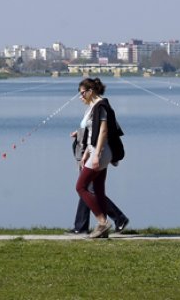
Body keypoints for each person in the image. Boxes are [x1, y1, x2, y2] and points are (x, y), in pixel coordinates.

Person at [70, 77, 126, 238]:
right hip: (95, 151)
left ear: (90, 91)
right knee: (99, 190)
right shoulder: (94, 107)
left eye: (82, 93)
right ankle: (104, 230)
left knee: (81, 187)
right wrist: (87, 153)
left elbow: (103, 132)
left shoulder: (101, 106)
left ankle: (102, 222)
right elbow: (91, 135)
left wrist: (96, 155)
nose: (80, 97)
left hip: (100, 153)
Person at [67, 124, 129, 235]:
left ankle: (117, 219)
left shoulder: (99, 108)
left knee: (86, 189)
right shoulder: (92, 109)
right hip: (90, 152)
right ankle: (81, 226)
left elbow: (102, 130)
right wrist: (79, 133)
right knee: (87, 190)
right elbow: (90, 129)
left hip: (95, 154)